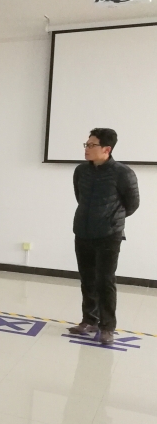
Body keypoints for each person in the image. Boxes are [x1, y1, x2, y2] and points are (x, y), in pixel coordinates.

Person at [69, 128, 139, 345]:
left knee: (105, 281)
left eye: (92, 145)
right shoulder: (81, 171)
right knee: (87, 279)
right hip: (83, 231)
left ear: (107, 149)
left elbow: (132, 204)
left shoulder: (123, 173)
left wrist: (110, 219)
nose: (87, 149)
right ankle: (89, 320)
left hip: (109, 235)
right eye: (86, 144)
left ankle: (107, 327)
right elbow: (80, 197)